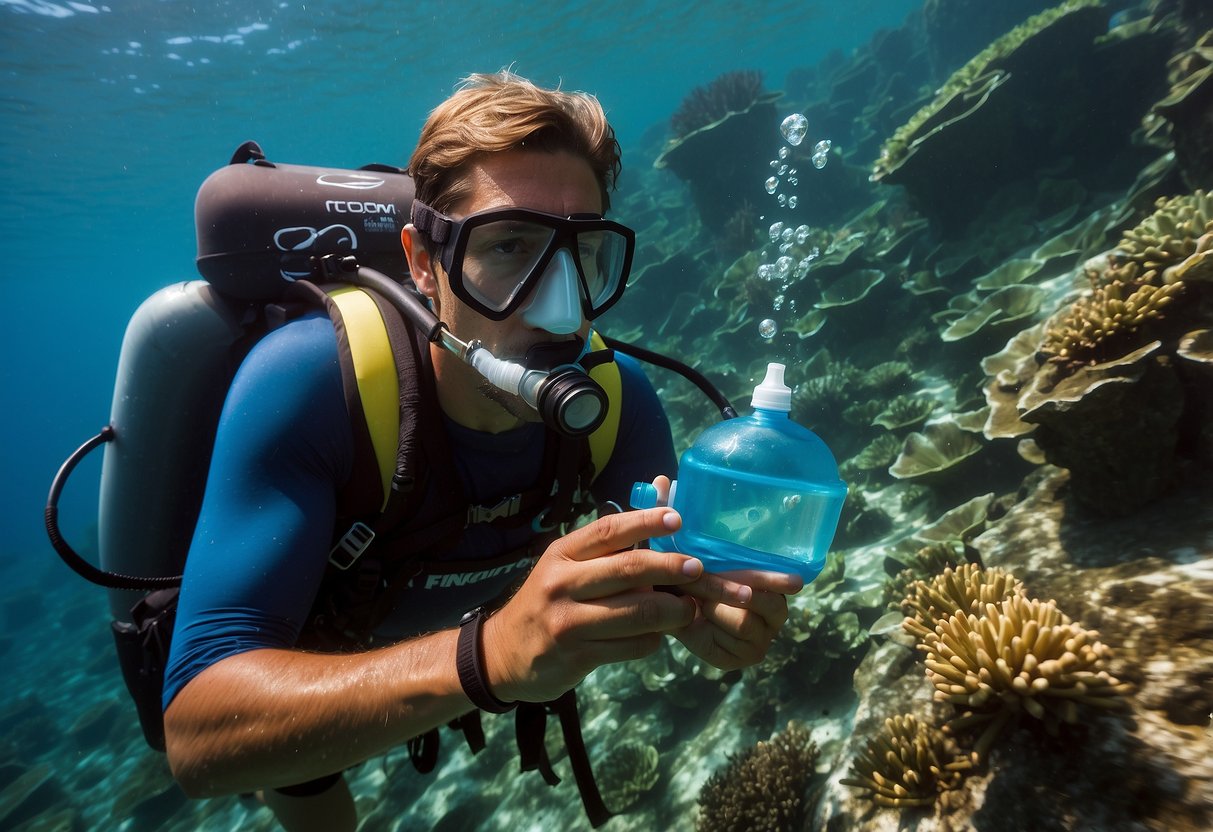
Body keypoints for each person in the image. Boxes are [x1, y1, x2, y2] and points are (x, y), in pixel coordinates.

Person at [161, 70, 803, 832]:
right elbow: (196, 735)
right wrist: (488, 657)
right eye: (509, 248)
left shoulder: (618, 405)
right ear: (424, 263)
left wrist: (708, 617)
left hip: (439, 654)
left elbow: (677, 581)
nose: (561, 309)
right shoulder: (309, 385)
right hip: (312, 667)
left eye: (584, 252)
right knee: (313, 798)